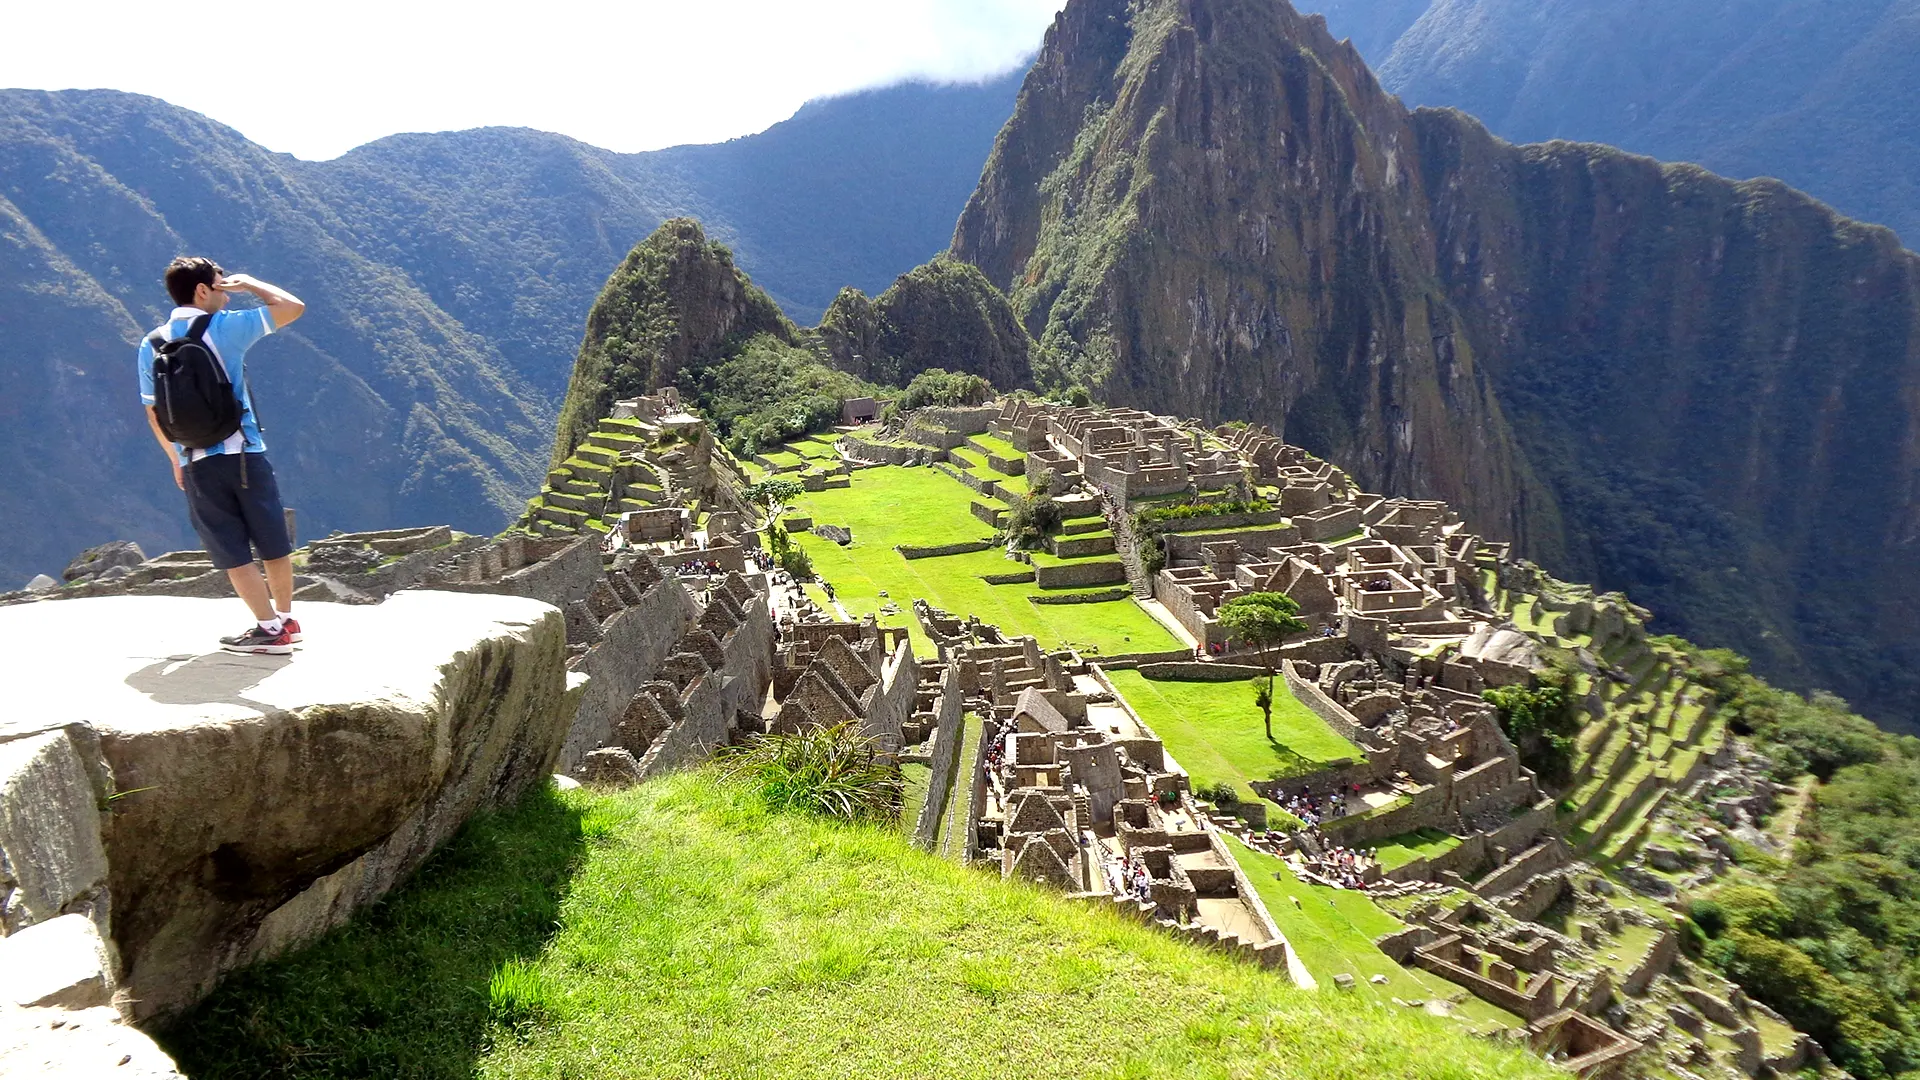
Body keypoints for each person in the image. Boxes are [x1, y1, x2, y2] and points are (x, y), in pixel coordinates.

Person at [138, 257, 305, 654]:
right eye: (221, 284)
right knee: (272, 540)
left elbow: (153, 411)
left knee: (232, 551)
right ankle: (282, 622)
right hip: (245, 451)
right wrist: (251, 284)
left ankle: (267, 627)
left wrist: (177, 459)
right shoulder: (227, 328)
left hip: (197, 459)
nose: (227, 292)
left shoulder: (153, 343)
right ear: (202, 290)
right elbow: (293, 307)